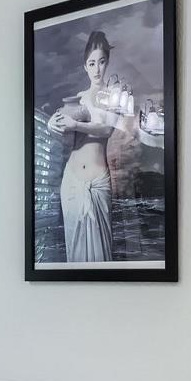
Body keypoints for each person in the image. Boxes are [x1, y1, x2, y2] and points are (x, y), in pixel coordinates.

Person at [46, 30, 136, 262]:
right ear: (85, 66)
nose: (97, 69)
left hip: (98, 181)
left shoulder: (112, 95)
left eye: (102, 62)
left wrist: (76, 123)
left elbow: (106, 129)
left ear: (108, 63)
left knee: (101, 254)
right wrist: (52, 124)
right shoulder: (78, 98)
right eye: (92, 63)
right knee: (74, 255)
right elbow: (67, 139)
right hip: (72, 182)